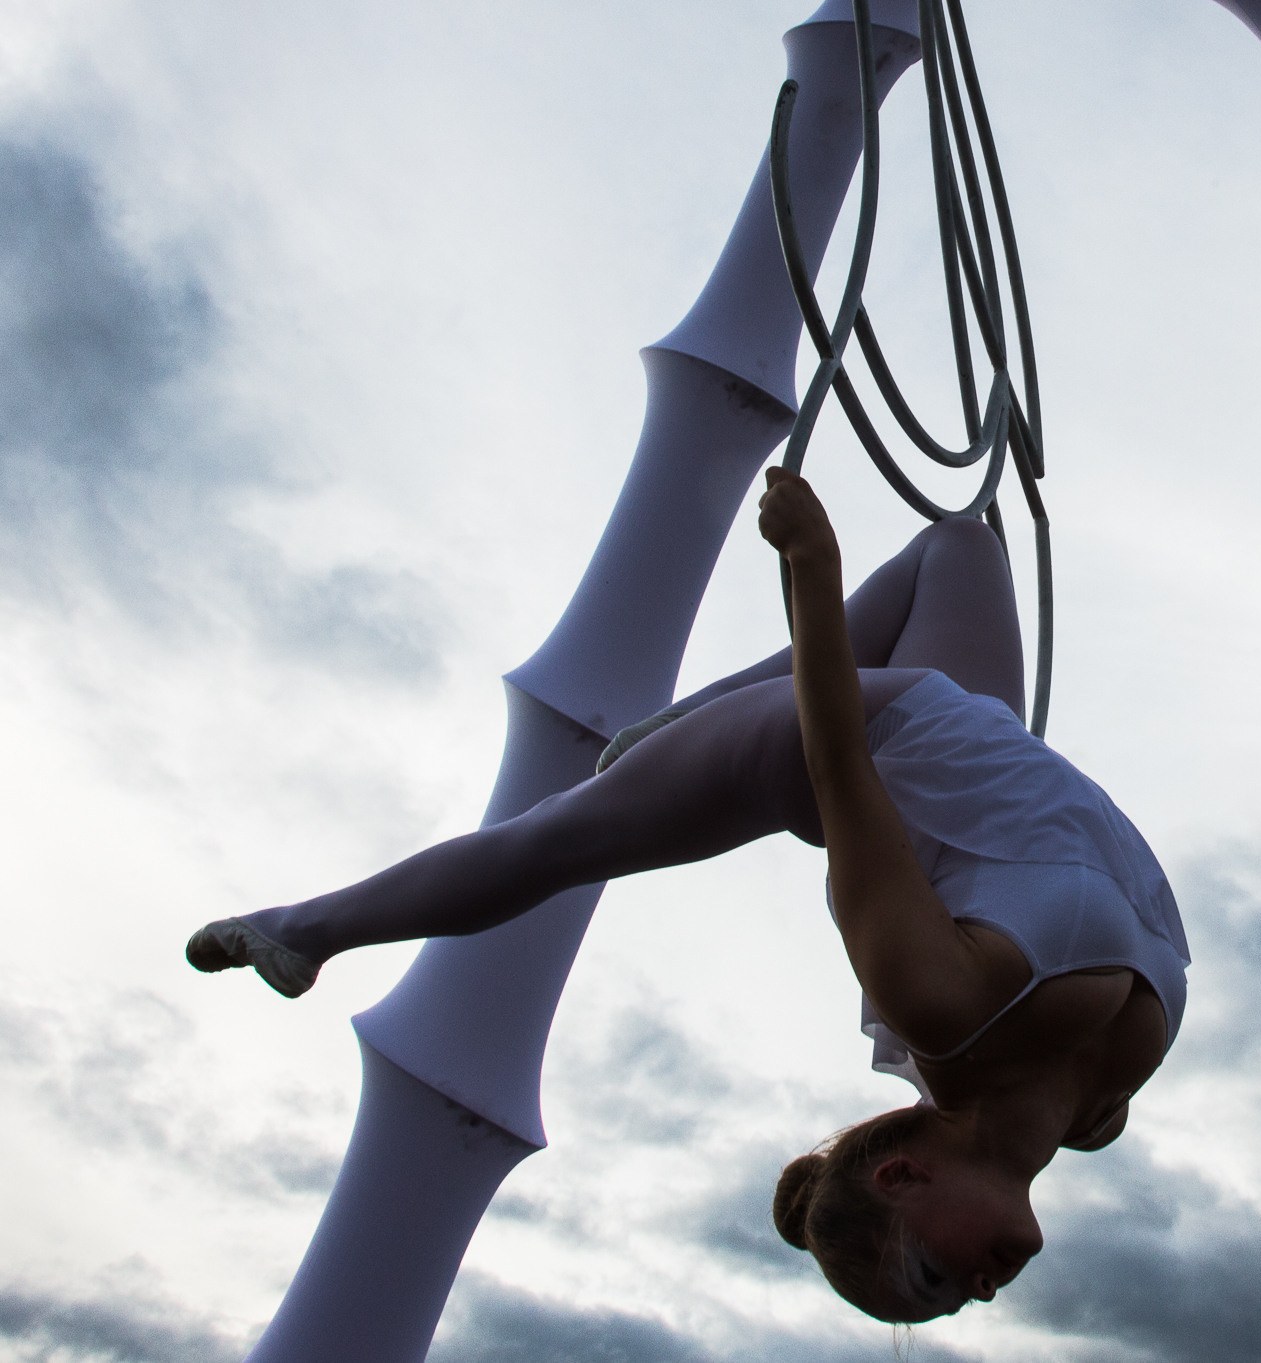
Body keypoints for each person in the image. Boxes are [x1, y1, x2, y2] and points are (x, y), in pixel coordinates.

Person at [185, 469, 1188, 1323]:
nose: (978, 1290)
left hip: (861, 737)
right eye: (956, 1301)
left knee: (555, 843)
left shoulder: (942, 1005)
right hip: (977, 750)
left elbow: (838, 763)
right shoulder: (1094, 1111)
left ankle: (306, 927)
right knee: (962, 539)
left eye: (932, 1274)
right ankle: (684, 724)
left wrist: (811, 565)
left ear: (899, 1176)